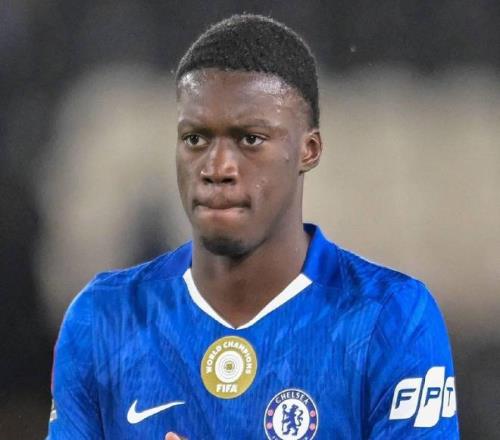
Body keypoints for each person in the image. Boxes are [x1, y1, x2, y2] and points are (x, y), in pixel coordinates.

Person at [47, 14, 459, 439]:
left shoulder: (390, 315)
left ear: (309, 150)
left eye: (250, 139)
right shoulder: (105, 317)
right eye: (195, 139)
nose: (216, 167)